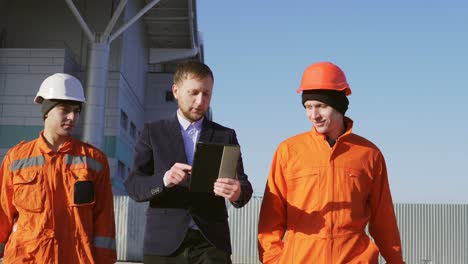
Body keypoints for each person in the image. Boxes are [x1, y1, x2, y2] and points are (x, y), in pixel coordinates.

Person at [257, 62, 405, 263]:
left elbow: (383, 219)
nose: (313, 115)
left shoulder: (369, 154)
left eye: (321, 106)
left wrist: (395, 260)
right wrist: (273, 259)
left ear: (339, 106)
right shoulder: (288, 151)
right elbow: (271, 217)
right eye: (308, 107)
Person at [124, 60, 253, 264]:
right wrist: (164, 179)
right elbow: (134, 186)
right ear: (175, 91)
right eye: (193, 92)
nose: (200, 101)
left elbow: (244, 187)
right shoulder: (152, 132)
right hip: (164, 245)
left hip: (211, 244)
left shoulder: (225, 135)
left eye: (207, 94)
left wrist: (237, 193)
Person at [0, 73, 117, 263]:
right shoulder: (16, 158)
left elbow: (104, 220)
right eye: (65, 109)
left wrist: (104, 260)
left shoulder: (94, 160)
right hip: (27, 259)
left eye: (77, 111)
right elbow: (3, 212)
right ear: (47, 111)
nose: (72, 117)